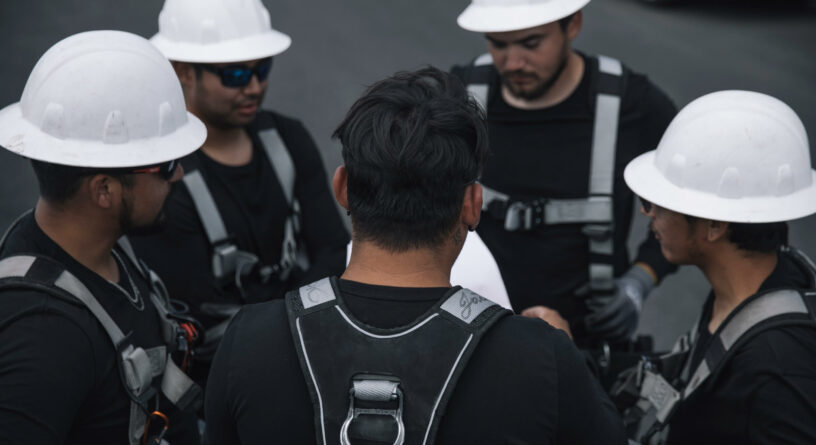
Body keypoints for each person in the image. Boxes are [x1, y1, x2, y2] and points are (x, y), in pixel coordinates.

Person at [205, 66, 626, 444]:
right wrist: (564, 352)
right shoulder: (541, 358)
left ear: (343, 189)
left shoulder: (250, 340)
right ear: (472, 205)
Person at [0, 31, 207, 444]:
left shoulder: (98, 251)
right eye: (165, 165)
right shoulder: (43, 335)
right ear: (104, 191)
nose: (180, 174)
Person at [131, 0, 350, 376]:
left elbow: (334, 248)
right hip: (218, 373)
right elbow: (191, 309)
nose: (253, 87)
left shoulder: (287, 138)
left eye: (262, 70)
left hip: (306, 346)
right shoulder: (162, 177)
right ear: (183, 72)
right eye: (233, 75)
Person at [451, 0, 678, 351]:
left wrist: (641, 278)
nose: (513, 63)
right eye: (498, 43)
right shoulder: (462, 94)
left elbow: (687, 201)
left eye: (531, 43)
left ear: (572, 25)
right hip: (473, 334)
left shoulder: (630, 104)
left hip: (585, 342)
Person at [616, 90, 816, 444]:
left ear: (714, 226)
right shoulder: (749, 293)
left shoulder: (776, 368)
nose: (648, 213)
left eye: (658, 203)